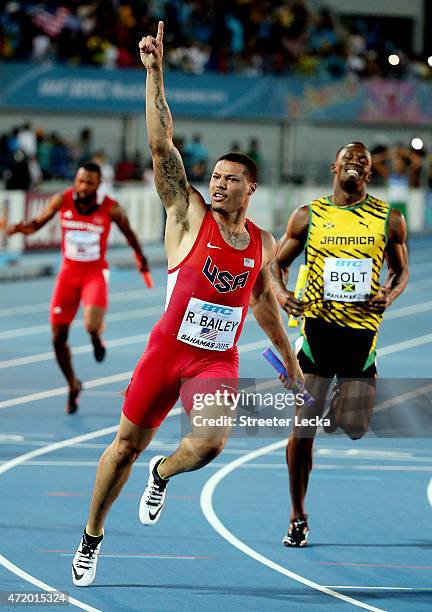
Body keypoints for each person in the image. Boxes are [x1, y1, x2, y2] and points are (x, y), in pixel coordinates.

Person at [70, 21, 303, 587]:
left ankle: (164, 470)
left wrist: (292, 366)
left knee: (208, 443)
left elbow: (264, 301)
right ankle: (92, 536)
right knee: (123, 446)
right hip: (167, 350)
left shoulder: (265, 243)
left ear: (252, 188)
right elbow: (160, 145)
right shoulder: (188, 213)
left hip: (214, 360)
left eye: (231, 179)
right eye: (215, 176)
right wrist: (155, 74)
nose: (218, 184)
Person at [271, 142, 409, 547]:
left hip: (361, 336)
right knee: (303, 429)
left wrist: (389, 294)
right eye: (348, 158)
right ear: (334, 166)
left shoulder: (389, 219)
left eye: (362, 162)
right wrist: (282, 296)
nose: (355, 163)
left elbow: (401, 272)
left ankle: (340, 405)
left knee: (354, 428)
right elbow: (276, 264)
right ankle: (298, 515)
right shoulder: (308, 215)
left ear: (369, 174)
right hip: (316, 332)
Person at [7, 162, 150, 414]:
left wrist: (141, 258)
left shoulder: (111, 208)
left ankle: (96, 338)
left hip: (94, 273)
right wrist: (20, 228)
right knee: (57, 338)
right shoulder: (61, 200)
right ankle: (73, 384)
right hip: (68, 275)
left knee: (91, 325)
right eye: (80, 181)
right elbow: (36, 224)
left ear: (98, 185)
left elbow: (129, 234)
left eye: (89, 183)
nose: (83, 187)